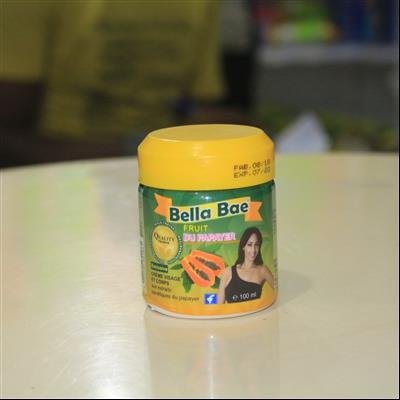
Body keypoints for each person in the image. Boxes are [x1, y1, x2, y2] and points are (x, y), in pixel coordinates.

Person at [217, 227, 274, 304]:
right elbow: (219, 306)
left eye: (256, 245)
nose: (253, 250)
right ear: (243, 247)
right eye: (249, 245)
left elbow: (277, 289)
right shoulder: (228, 272)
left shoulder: (262, 270)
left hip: (256, 311)